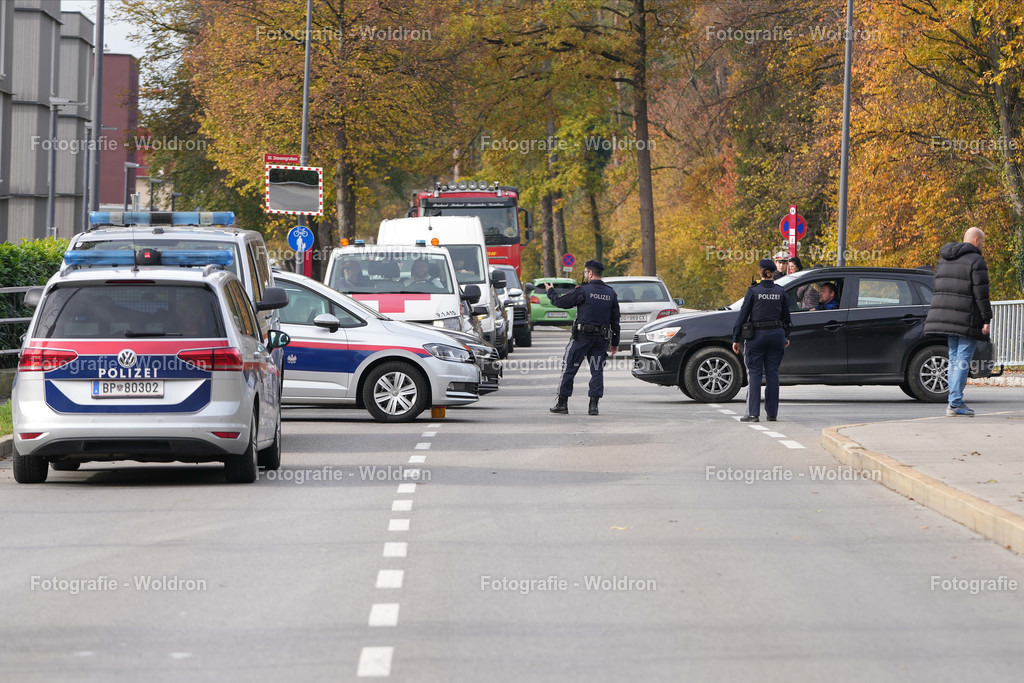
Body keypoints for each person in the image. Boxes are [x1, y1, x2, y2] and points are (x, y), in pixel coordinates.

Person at [924, 227, 992, 417]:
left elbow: (937, 287)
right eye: (983, 242)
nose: (983, 246)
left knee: (954, 359)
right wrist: (986, 319)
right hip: (967, 318)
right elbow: (981, 293)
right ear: (976, 240)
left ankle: (953, 401)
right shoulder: (976, 260)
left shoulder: (944, 259)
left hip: (946, 318)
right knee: (961, 360)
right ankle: (955, 403)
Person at [547, 260, 620, 416]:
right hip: (601, 339)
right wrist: (615, 343)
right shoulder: (611, 293)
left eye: (586, 273)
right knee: (597, 371)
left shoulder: (583, 291)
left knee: (569, 368)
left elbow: (561, 303)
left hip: (582, 337)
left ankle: (562, 404)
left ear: (590, 273)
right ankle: (593, 406)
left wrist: (551, 291)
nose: (585, 275)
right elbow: (615, 321)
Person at [732, 259, 791, 422]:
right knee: (773, 373)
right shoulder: (780, 291)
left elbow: (742, 315)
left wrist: (736, 338)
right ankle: (772, 414)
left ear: (760, 272)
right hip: (777, 335)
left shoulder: (753, 291)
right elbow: (787, 317)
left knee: (755, 374)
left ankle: (753, 413)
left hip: (756, 336)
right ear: (773, 273)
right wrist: (787, 336)